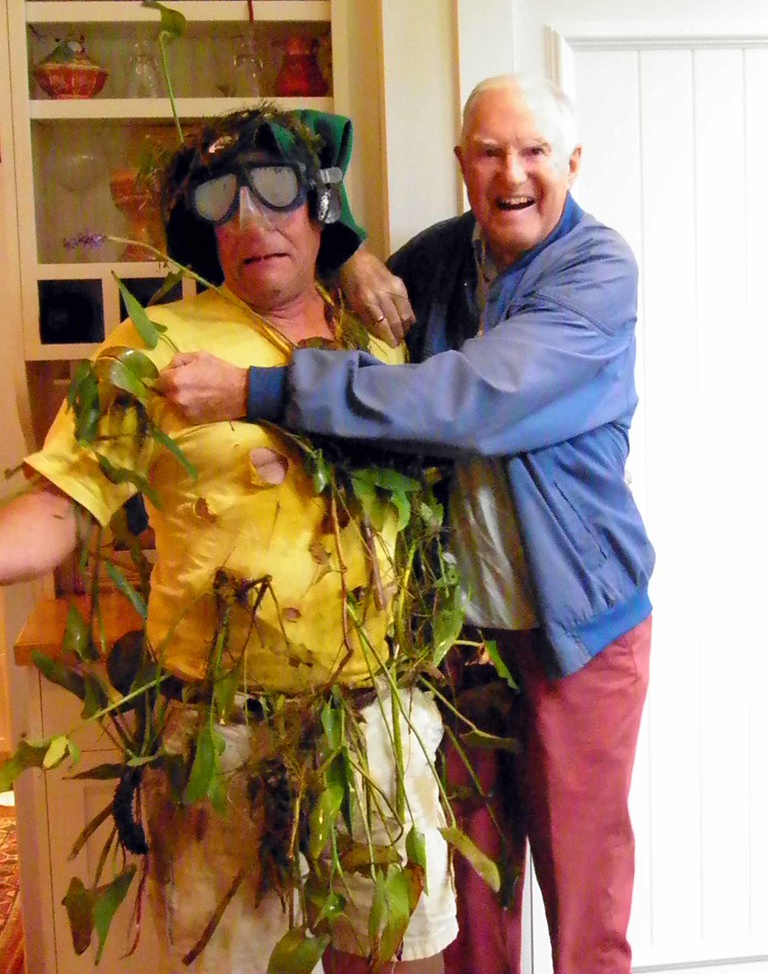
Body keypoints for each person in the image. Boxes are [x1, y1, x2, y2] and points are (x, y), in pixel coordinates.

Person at [154, 73, 656, 974]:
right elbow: (301, 182)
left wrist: (261, 391)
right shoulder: (436, 260)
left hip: (577, 636)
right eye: (490, 152)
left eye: (535, 152)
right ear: (462, 163)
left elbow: (469, 400)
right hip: (456, 647)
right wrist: (349, 254)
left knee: (585, 899)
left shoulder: (597, 272)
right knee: (469, 902)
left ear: (573, 163)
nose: (512, 173)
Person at [0, 105, 458, 974]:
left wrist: (357, 253)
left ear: (320, 209)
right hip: (224, 740)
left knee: (404, 958)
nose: (250, 222)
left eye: (276, 192)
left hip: (375, 725)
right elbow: (61, 509)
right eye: (221, 201)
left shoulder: (377, 335)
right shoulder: (150, 351)